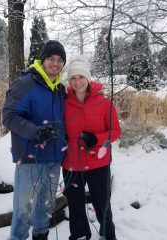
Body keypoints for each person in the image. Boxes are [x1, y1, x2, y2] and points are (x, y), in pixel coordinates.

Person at [2, 40, 67, 240]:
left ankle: (41, 236)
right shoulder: (26, 83)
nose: (55, 64)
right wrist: (36, 132)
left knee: (45, 207)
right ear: (42, 60)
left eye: (60, 60)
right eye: (51, 59)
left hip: (53, 159)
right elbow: (9, 116)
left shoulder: (60, 89)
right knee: (23, 210)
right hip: (30, 159)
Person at [62, 55, 121, 240]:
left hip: (99, 163)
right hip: (72, 163)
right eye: (73, 78)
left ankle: (108, 235)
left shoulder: (104, 103)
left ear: (88, 79)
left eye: (81, 77)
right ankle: (80, 235)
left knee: (102, 203)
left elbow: (116, 131)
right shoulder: (63, 103)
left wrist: (97, 138)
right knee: (76, 204)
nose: (77, 82)